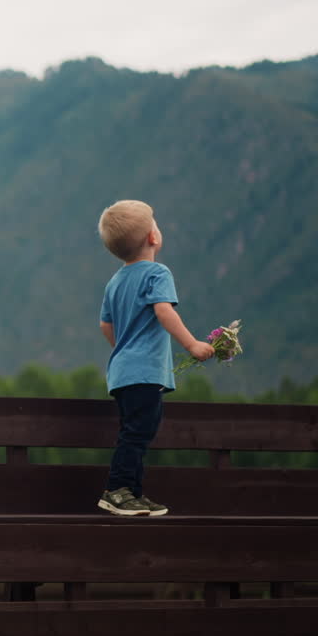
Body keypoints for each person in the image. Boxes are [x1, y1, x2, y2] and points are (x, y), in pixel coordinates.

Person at [97, 201, 214, 516]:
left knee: (135, 429)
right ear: (153, 237)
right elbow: (164, 311)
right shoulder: (157, 273)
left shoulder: (115, 281)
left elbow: (105, 325)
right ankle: (118, 490)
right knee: (138, 432)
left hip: (122, 371)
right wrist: (193, 345)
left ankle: (132, 492)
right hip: (144, 372)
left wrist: (124, 349)